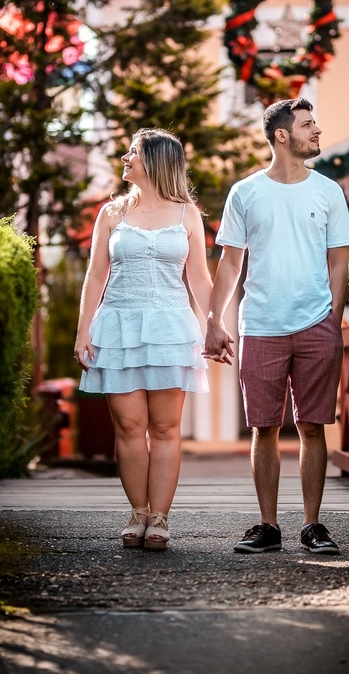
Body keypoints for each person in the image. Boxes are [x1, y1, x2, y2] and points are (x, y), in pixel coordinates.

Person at [203, 97, 349, 555]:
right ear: (282, 136)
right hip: (261, 325)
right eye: (309, 125)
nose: (318, 131)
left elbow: (339, 261)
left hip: (316, 324)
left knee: (313, 426)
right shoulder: (245, 193)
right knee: (263, 428)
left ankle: (312, 526)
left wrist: (331, 316)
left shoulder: (327, 191)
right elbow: (230, 264)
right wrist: (215, 319)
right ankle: (268, 526)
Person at [75, 128, 213, 551]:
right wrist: (83, 330)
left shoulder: (187, 213)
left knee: (166, 427)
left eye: (133, 151)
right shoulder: (111, 213)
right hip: (116, 327)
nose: (125, 157)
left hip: (172, 328)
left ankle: (160, 518)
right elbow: (96, 274)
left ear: (155, 160)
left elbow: (200, 279)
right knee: (130, 426)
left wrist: (213, 326)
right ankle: (137, 512)